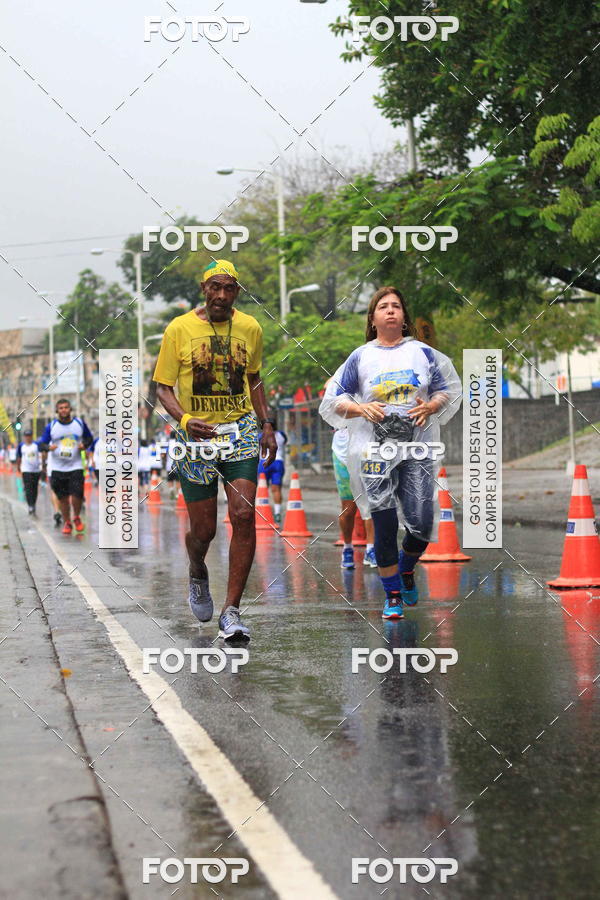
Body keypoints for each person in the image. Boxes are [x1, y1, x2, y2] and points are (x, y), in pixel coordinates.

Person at [319, 286, 461, 620]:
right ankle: (392, 595)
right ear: (373, 318)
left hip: (416, 449)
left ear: (404, 317)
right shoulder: (360, 357)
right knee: (383, 523)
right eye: (383, 306)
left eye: (397, 305)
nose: (391, 310)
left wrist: (432, 406)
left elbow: (447, 390)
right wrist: (360, 408)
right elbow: (332, 401)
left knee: (422, 523)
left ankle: (406, 567)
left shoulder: (422, 353)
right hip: (374, 452)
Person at [154, 259, 276, 641]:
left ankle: (232, 611)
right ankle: (196, 569)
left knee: (243, 513)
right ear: (203, 288)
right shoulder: (179, 329)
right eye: (215, 287)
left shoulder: (250, 328)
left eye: (229, 288)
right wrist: (186, 420)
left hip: (239, 429)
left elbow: (254, 379)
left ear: (236, 292)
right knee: (203, 530)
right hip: (195, 436)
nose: (221, 295)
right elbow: (163, 387)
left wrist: (266, 424)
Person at [39, 399, 94, 535]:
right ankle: (67, 522)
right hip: (57, 468)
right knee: (63, 498)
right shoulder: (51, 426)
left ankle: (76, 517)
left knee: (77, 494)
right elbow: (41, 444)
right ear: (57, 411)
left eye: (66, 407)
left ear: (70, 409)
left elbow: (89, 438)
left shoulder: (79, 424)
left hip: (75, 466)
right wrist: (48, 447)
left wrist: (84, 445)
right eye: (61, 408)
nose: (64, 410)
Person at [331, 426, 377, 568]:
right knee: (349, 508)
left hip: (369, 448)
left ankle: (371, 550)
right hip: (343, 451)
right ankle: (347, 548)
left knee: (372, 502)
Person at [257, 422, 287, 525]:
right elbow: (285, 442)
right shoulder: (281, 435)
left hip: (264, 462)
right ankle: (277, 513)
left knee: (262, 489)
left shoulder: (261, 436)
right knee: (276, 489)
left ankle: (263, 513)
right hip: (278, 462)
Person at [17, 429, 42, 515]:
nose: (28, 438)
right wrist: (18, 466)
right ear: (24, 437)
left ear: (32, 436)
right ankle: (30, 505)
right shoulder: (21, 446)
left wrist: (43, 466)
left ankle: (33, 503)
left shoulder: (36, 445)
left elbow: (41, 454)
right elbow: (19, 457)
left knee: (34, 488)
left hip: (36, 470)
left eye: (29, 436)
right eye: (26, 436)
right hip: (26, 470)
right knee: (28, 488)